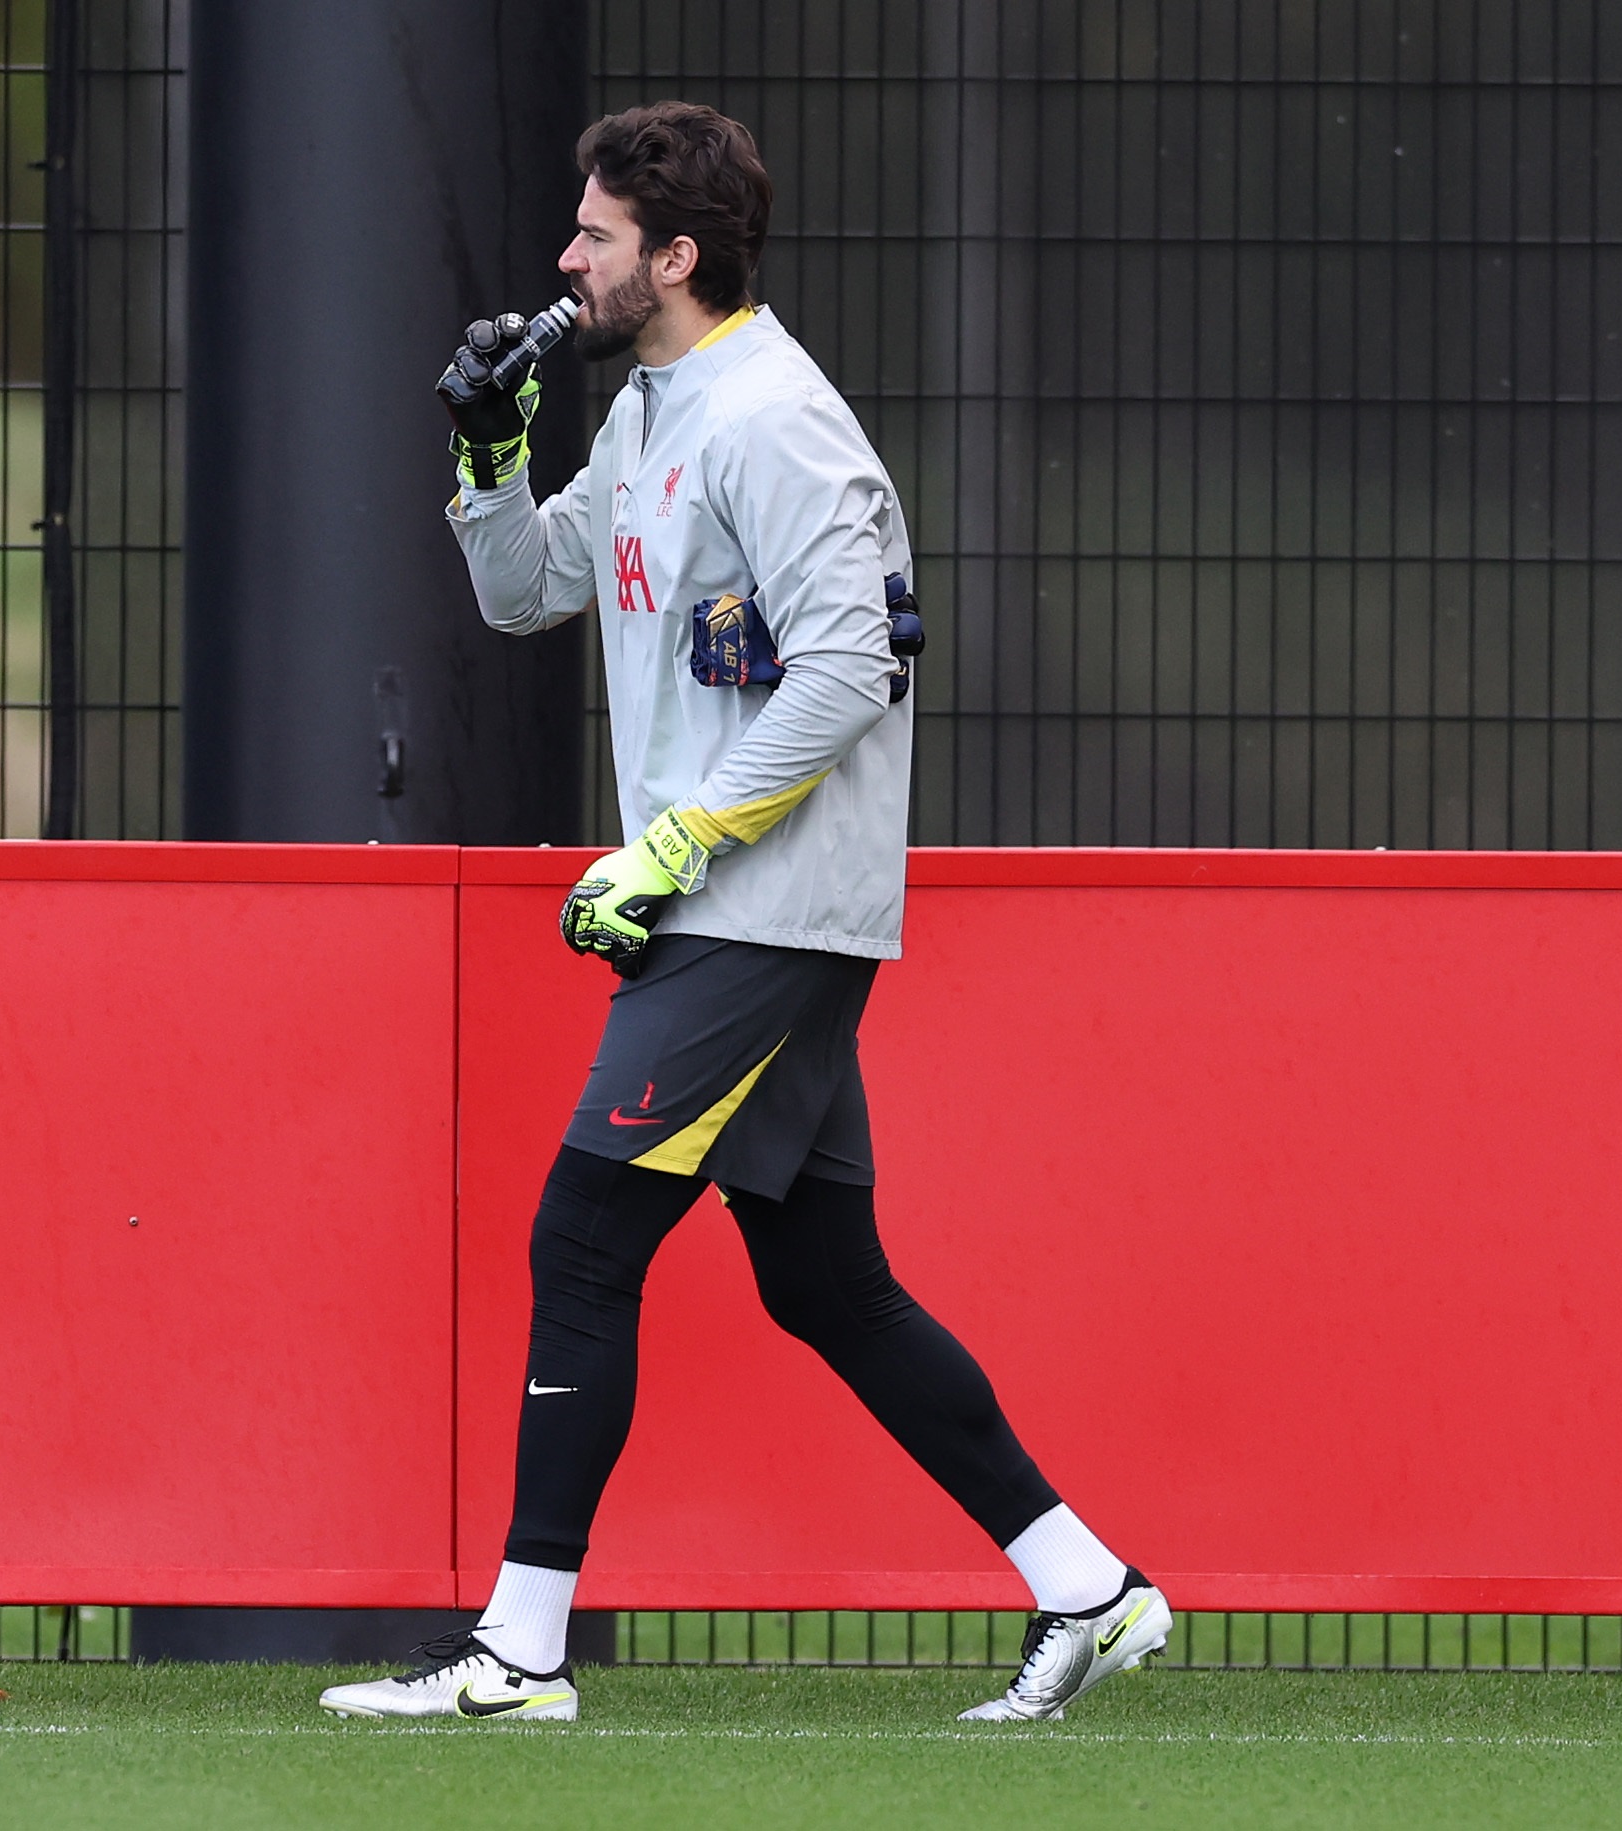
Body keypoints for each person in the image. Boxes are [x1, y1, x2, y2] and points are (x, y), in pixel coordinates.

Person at [318, 101, 1165, 1727]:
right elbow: (527, 590)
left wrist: (676, 844)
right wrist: (490, 453)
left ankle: (521, 1654)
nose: (567, 261)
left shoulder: (777, 419)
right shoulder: (652, 409)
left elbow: (853, 666)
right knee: (824, 1284)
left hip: (760, 908)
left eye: (596, 238)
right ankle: (1089, 1585)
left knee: (582, 1237)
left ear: (676, 256)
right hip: (734, 900)